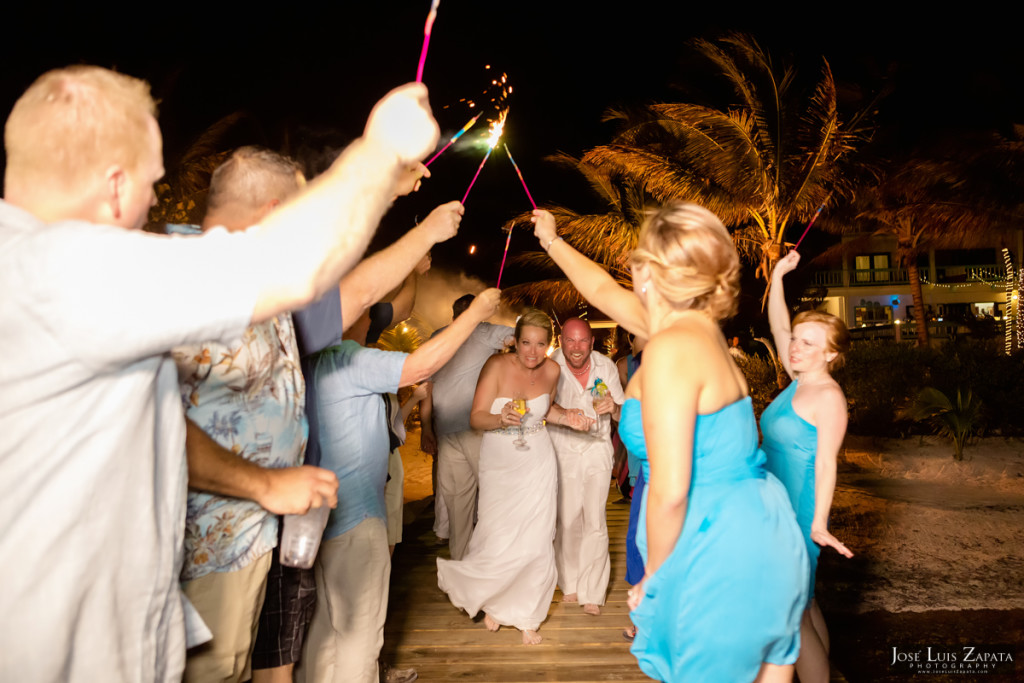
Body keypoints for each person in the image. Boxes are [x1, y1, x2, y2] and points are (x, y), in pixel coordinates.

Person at [0, 64, 438, 683]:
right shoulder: (57, 272)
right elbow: (290, 266)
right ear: (115, 183)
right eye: (153, 182)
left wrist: (261, 485)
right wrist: (380, 151)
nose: (156, 201)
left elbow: (155, 421)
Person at [531, 204, 808, 682]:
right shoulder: (696, 332)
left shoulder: (672, 349)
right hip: (758, 526)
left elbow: (673, 488)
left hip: (710, 542)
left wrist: (657, 576)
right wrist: (552, 241)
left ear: (647, 270)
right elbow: (599, 289)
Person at [172, 147, 339, 683]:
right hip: (204, 551)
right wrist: (266, 484)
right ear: (271, 214)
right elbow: (153, 429)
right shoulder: (188, 280)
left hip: (250, 540)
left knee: (235, 669)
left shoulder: (255, 286)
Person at [298, 289, 501, 683]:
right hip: (355, 516)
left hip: (315, 513)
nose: (376, 318)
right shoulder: (348, 358)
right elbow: (421, 365)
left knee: (323, 630)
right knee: (359, 634)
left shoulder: (308, 357)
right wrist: (476, 313)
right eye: (368, 309)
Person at [436, 309, 593, 646]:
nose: (532, 352)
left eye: (540, 344)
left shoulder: (552, 371)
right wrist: (500, 418)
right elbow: (477, 418)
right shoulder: (495, 366)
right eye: (525, 343)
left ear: (549, 346)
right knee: (498, 534)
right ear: (515, 342)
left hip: (537, 458)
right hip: (499, 459)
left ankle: (527, 615)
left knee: (536, 537)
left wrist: (570, 417)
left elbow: (545, 411)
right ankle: (496, 601)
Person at [763, 250, 853, 683]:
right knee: (807, 604)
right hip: (780, 508)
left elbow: (826, 464)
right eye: (796, 340)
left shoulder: (828, 396)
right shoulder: (800, 377)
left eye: (808, 343)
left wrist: (817, 525)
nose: (795, 347)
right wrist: (778, 276)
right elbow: (779, 324)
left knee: (791, 616)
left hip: (800, 515)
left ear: (831, 354)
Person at [419, 294, 514, 559]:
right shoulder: (482, 330)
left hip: (451, 430)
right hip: (472, 432)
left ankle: (465, 562)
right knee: (489, 494)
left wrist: (427, 429)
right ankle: (490, 558)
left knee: (459, 503)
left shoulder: (439, 337)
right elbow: (524, 335)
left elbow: (427, 389)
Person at [548, 317, 624, 616]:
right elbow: (539, 406)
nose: (576, 347)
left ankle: (593, 590)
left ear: (592, 342)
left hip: (597, 449)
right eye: (570, 340)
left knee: (595, 519)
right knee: (567, 519)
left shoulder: (606, 367)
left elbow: (621, 413)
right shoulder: (550, 366)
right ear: (561, 341)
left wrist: (614, 408)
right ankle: (570, 583)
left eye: (583, 341)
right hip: (562, 448)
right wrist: (566, 413)